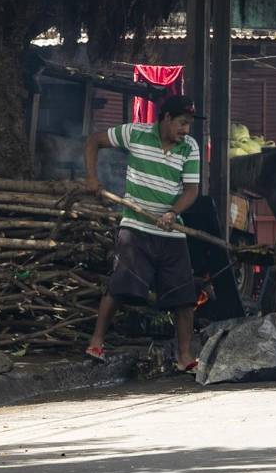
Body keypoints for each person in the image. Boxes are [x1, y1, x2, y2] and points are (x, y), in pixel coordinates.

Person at [83, 94, 202, 373]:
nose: (186, 130)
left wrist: (172, 213)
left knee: (184, 297)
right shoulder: (134, 133)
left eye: (189, 125)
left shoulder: (190, 148)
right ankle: (97, 342)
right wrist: (92, 177)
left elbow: (191, 191)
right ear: (166, 118)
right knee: (120, 285)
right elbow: (93, 141)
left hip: (171, 232)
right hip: (136, 227)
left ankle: (185, 357)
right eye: (182, 123)